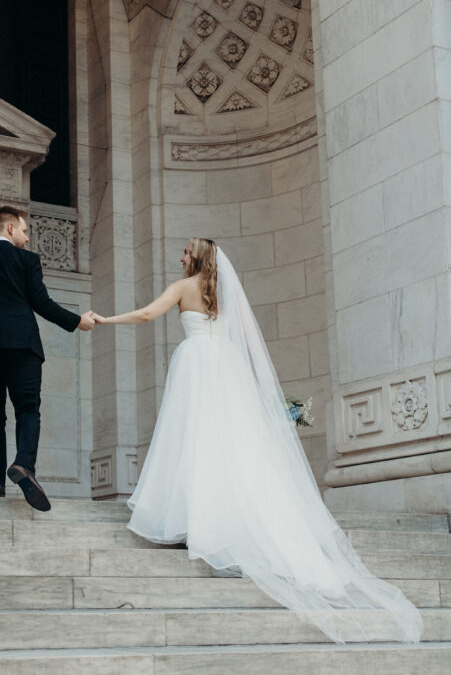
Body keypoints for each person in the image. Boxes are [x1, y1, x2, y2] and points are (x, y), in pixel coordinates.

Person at [90, 238, 423, 645]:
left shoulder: (183, 287)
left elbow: (146, 314)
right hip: (227, 369)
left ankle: (203, 524)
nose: (179, 257)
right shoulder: (224, 293)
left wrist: (105, 320)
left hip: (197, 366)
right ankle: (220, 522)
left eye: (184, 251)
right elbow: (249, 343)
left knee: (197, 443)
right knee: (231, 448)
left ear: (195, 257)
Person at [0, 205, 95, 511]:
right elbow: (41, 302)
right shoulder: (27, 260)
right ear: (10, 228)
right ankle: (25, 465)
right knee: (28, 409)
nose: (27, 238)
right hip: (21, 346)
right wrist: (76, 320)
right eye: (25, 230)